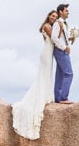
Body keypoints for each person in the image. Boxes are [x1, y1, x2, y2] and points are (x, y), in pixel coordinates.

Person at [11, 10, 59, 139]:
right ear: (49, 16)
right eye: (53, 16)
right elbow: (54, 39)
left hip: (48, 54)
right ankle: (42, 97)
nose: (54, 18)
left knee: (46, 76)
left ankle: (46, 95)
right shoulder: (47, 26)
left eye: (56, 17)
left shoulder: (51, 27)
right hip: (46, 54)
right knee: (43, 76)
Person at [51, 3, 75, 104]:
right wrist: (65, 47)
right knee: (69, 74)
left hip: (60, 50)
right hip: (61, 51)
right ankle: (63, 98)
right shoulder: (58, 23)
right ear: (60, 12)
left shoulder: (63, 23)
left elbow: (60, 37)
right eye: (66, 10)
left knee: (60, 75)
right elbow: (54, 37)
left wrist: (70, 39)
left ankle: (58, 98)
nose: (68, 12)